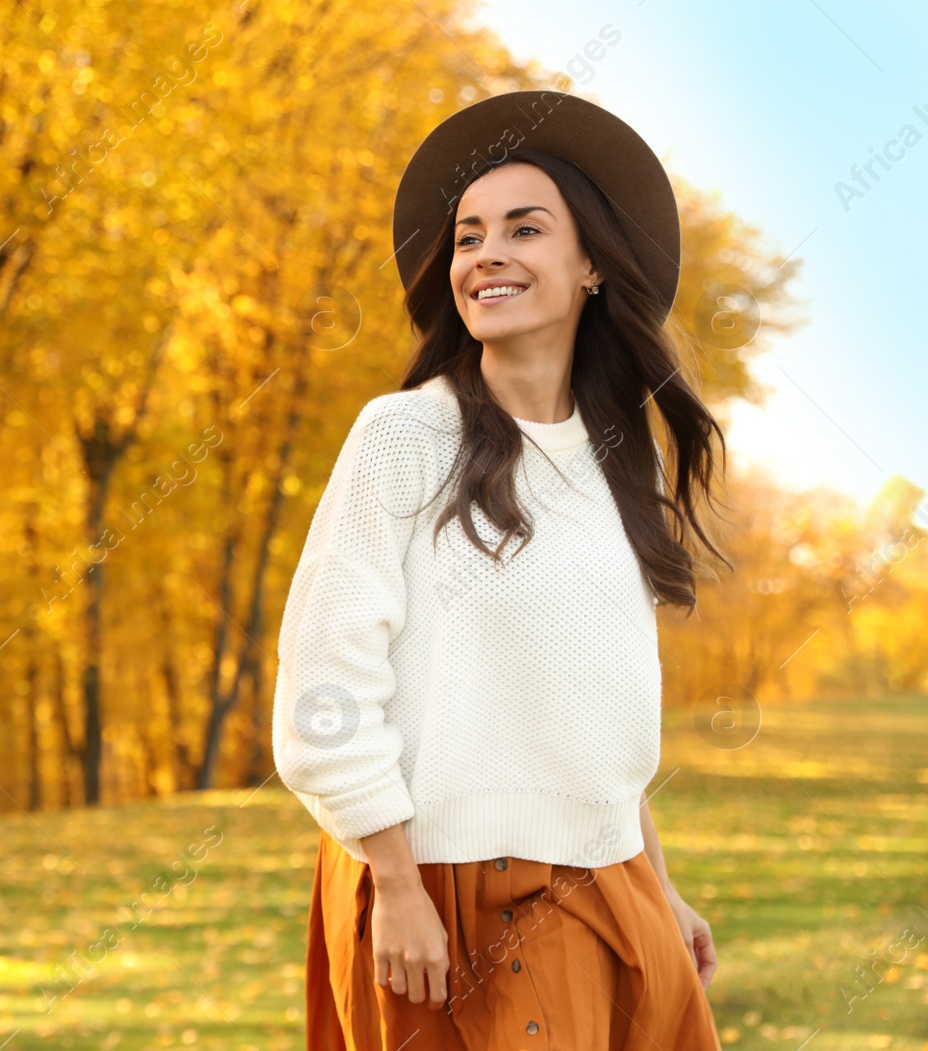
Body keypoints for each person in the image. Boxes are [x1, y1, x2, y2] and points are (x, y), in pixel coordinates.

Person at [270, 91, 731, 1050]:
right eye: (470, 236)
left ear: (592, 264)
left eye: (525, 229)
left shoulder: (615, 456)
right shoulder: (403, 436)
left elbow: (592, 702)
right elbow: (326, 680)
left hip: (609, 877)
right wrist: (395, 884)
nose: (487, 254)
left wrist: (659, 881)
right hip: (439, 887)